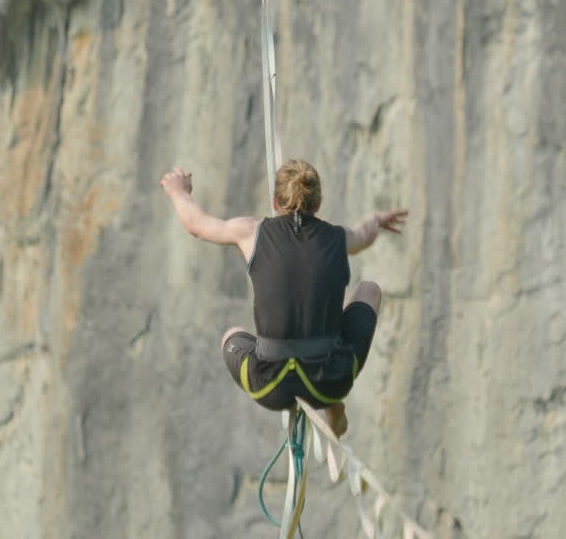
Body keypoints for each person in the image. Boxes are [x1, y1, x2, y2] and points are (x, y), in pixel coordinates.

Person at [160, 159, 407, 436]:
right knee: (370, 289)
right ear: (319, 201)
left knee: (232, 334)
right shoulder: (339, 238)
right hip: (331, 381)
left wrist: (179, 191)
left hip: (269, 386)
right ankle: (332, 406)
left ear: (276, 201)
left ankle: (322, 398)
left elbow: (196, 225)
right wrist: (376, 219)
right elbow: (364, 235)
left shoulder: (251, 232)